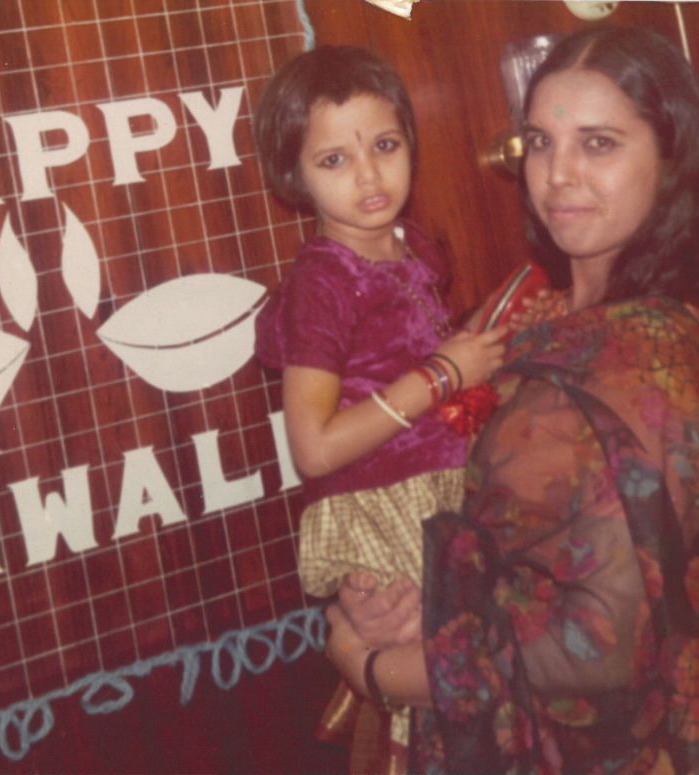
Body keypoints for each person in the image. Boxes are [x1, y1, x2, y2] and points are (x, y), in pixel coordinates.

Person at [324, 26, 699, 774]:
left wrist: (372, 668)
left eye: (599, 144)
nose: (559, 175)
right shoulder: (523, 312)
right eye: (540, 143)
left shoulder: (647, 352)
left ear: (672, 159)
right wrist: (374, 594)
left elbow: (593, 644)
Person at [252, 45, 508, 772]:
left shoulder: (408, 247)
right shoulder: (324, 283)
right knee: (437, 673)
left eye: (385, 146)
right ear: (293, 177)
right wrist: (437, 377)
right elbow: (315, 447)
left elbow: (425, 347)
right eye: (333, 160)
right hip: (382, 503)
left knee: (471, 638)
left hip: (441, 482)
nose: (368, 175)